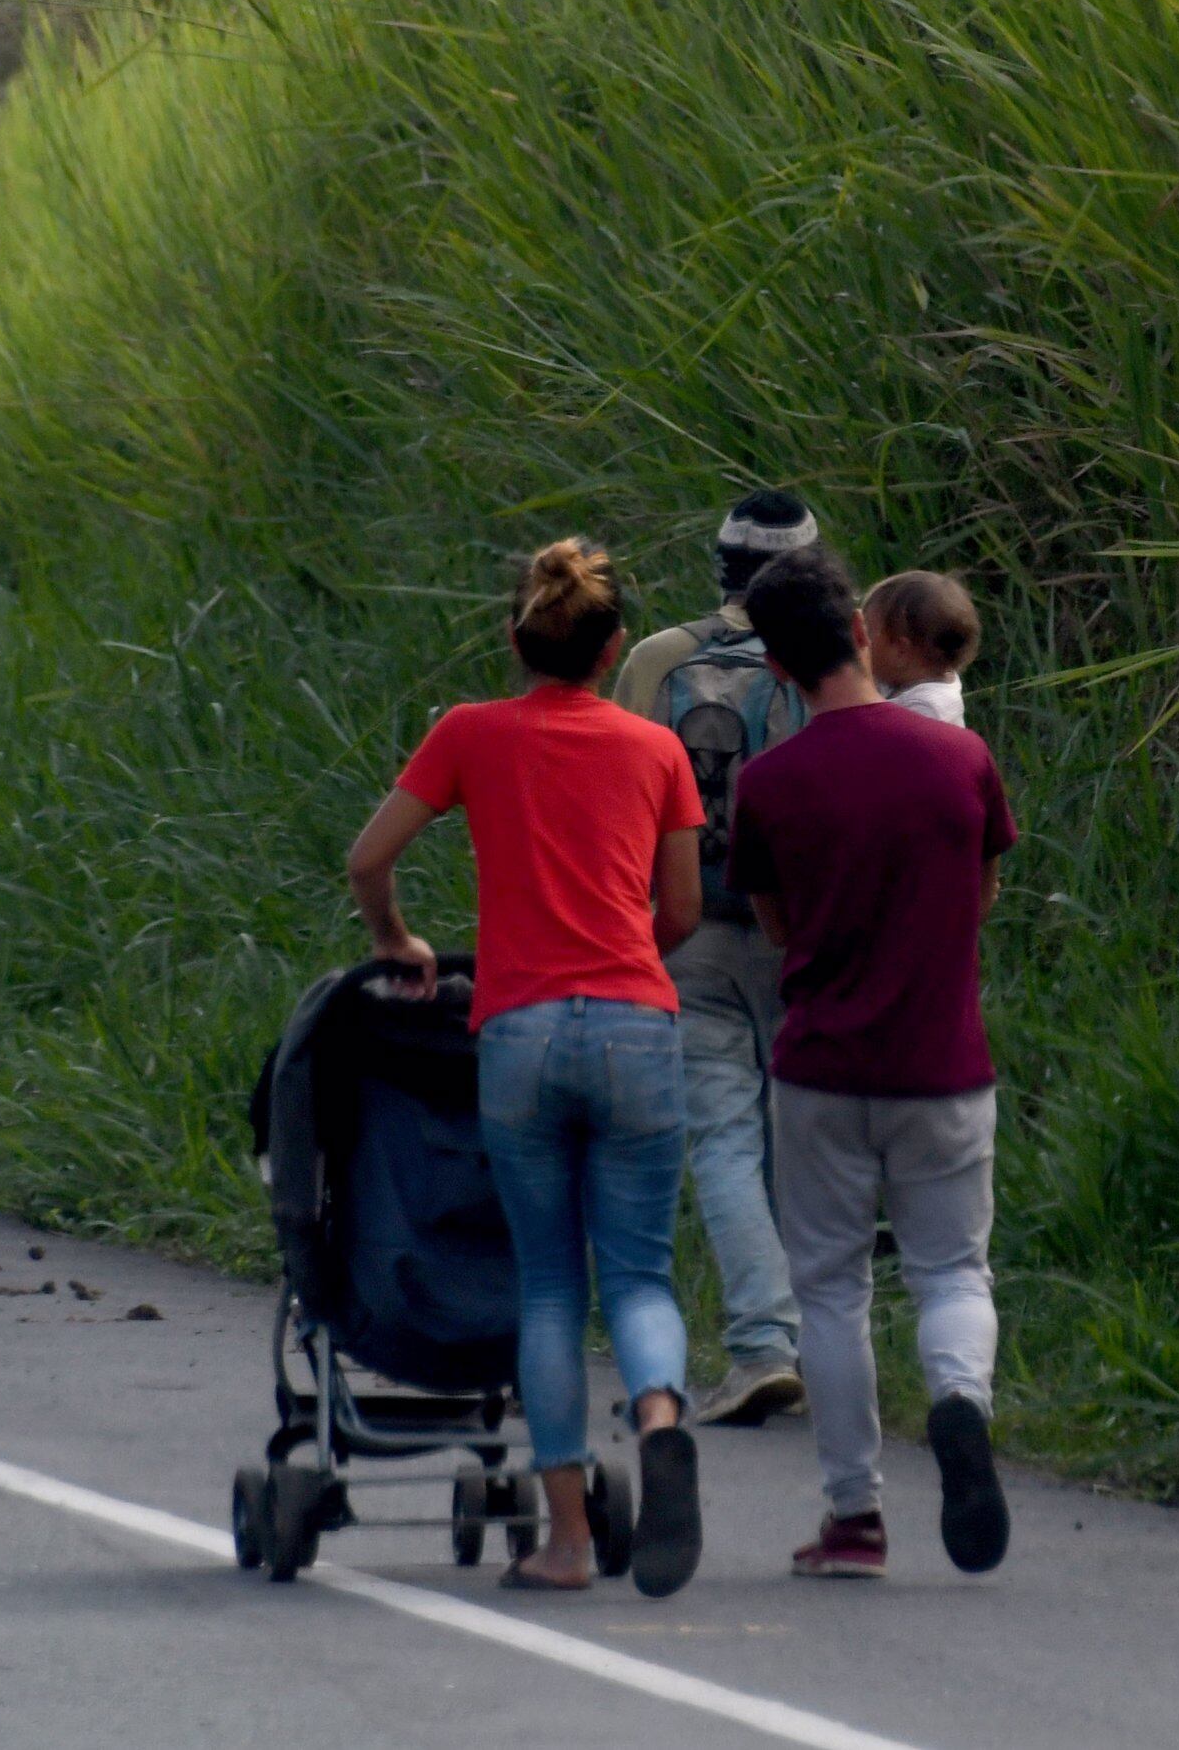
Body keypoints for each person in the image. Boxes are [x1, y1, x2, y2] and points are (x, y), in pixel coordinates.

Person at [347, 539, 707, 1597]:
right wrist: (630, 955)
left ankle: (566, 1543)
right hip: (638, 1023)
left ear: (514, 641)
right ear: (617, 647)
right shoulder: (655, 750)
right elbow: (680, 909)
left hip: (521, 1032)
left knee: (549, 1284)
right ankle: (658, 1415)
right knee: (639, 1272)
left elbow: (371, 857)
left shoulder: (470, 733)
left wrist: (394, 940)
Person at [730, 545, 1016, 1581]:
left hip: (822, 1066)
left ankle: (854, 1515)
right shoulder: (962, 760)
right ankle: (958, 1400)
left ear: (774, 669)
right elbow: (980, 896)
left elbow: (773, 926)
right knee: (951, 1267)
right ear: (861, 632)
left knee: (832, 1291)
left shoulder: (767, 784)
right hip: (944, 1060)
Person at [612, 489, 819, 1426]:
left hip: (686, 921)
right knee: (801, 1131)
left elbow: (615, 796)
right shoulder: (825, 660)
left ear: (721, 567)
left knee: (725, 1137)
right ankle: (827, 1343)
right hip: (800, 928)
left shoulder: (662, 658)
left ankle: (761, 1346)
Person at [862, 570, 981, 727]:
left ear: (900, 651)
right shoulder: (902, 678)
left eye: (867, 631)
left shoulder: (926, 709)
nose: (859, 640)